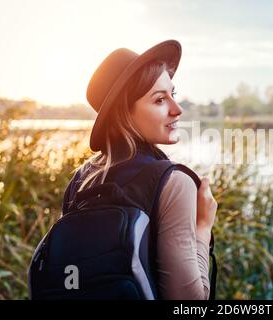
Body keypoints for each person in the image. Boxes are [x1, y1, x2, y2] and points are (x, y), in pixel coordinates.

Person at [62, 40, 217, 299]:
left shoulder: (81, 182)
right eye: (159, 100)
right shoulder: (174, 183)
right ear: (125, 113)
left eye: (172, 94)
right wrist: (203, 228)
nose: (177, 110)